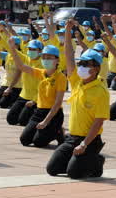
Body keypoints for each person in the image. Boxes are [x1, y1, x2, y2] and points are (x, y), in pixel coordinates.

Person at [46, 21, 109, 178]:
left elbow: (98, 122)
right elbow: (68, 55)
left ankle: (96, 161)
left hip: (90, 140)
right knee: (52, 169)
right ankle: (81, 161)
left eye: (86, 64)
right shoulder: (76, 82)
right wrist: (67, 31)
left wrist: (84, 144)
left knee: (74, 173)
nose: (81, 66)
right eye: (81, 63)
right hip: (72, 137)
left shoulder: (101, 91)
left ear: (96, 69)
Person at [7, 39, 66, 148]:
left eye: (49, 58)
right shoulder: (41, 73)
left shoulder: (61, 77)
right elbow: (22, 67)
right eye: (44, 57)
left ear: (57, 60)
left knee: (39, 142)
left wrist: (45, 121)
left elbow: (58, 103)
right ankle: (50, 131)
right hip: (39, 111)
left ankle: (58, 132)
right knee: (25, 140)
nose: (46, 60)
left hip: (53, 114)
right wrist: (13, 50)